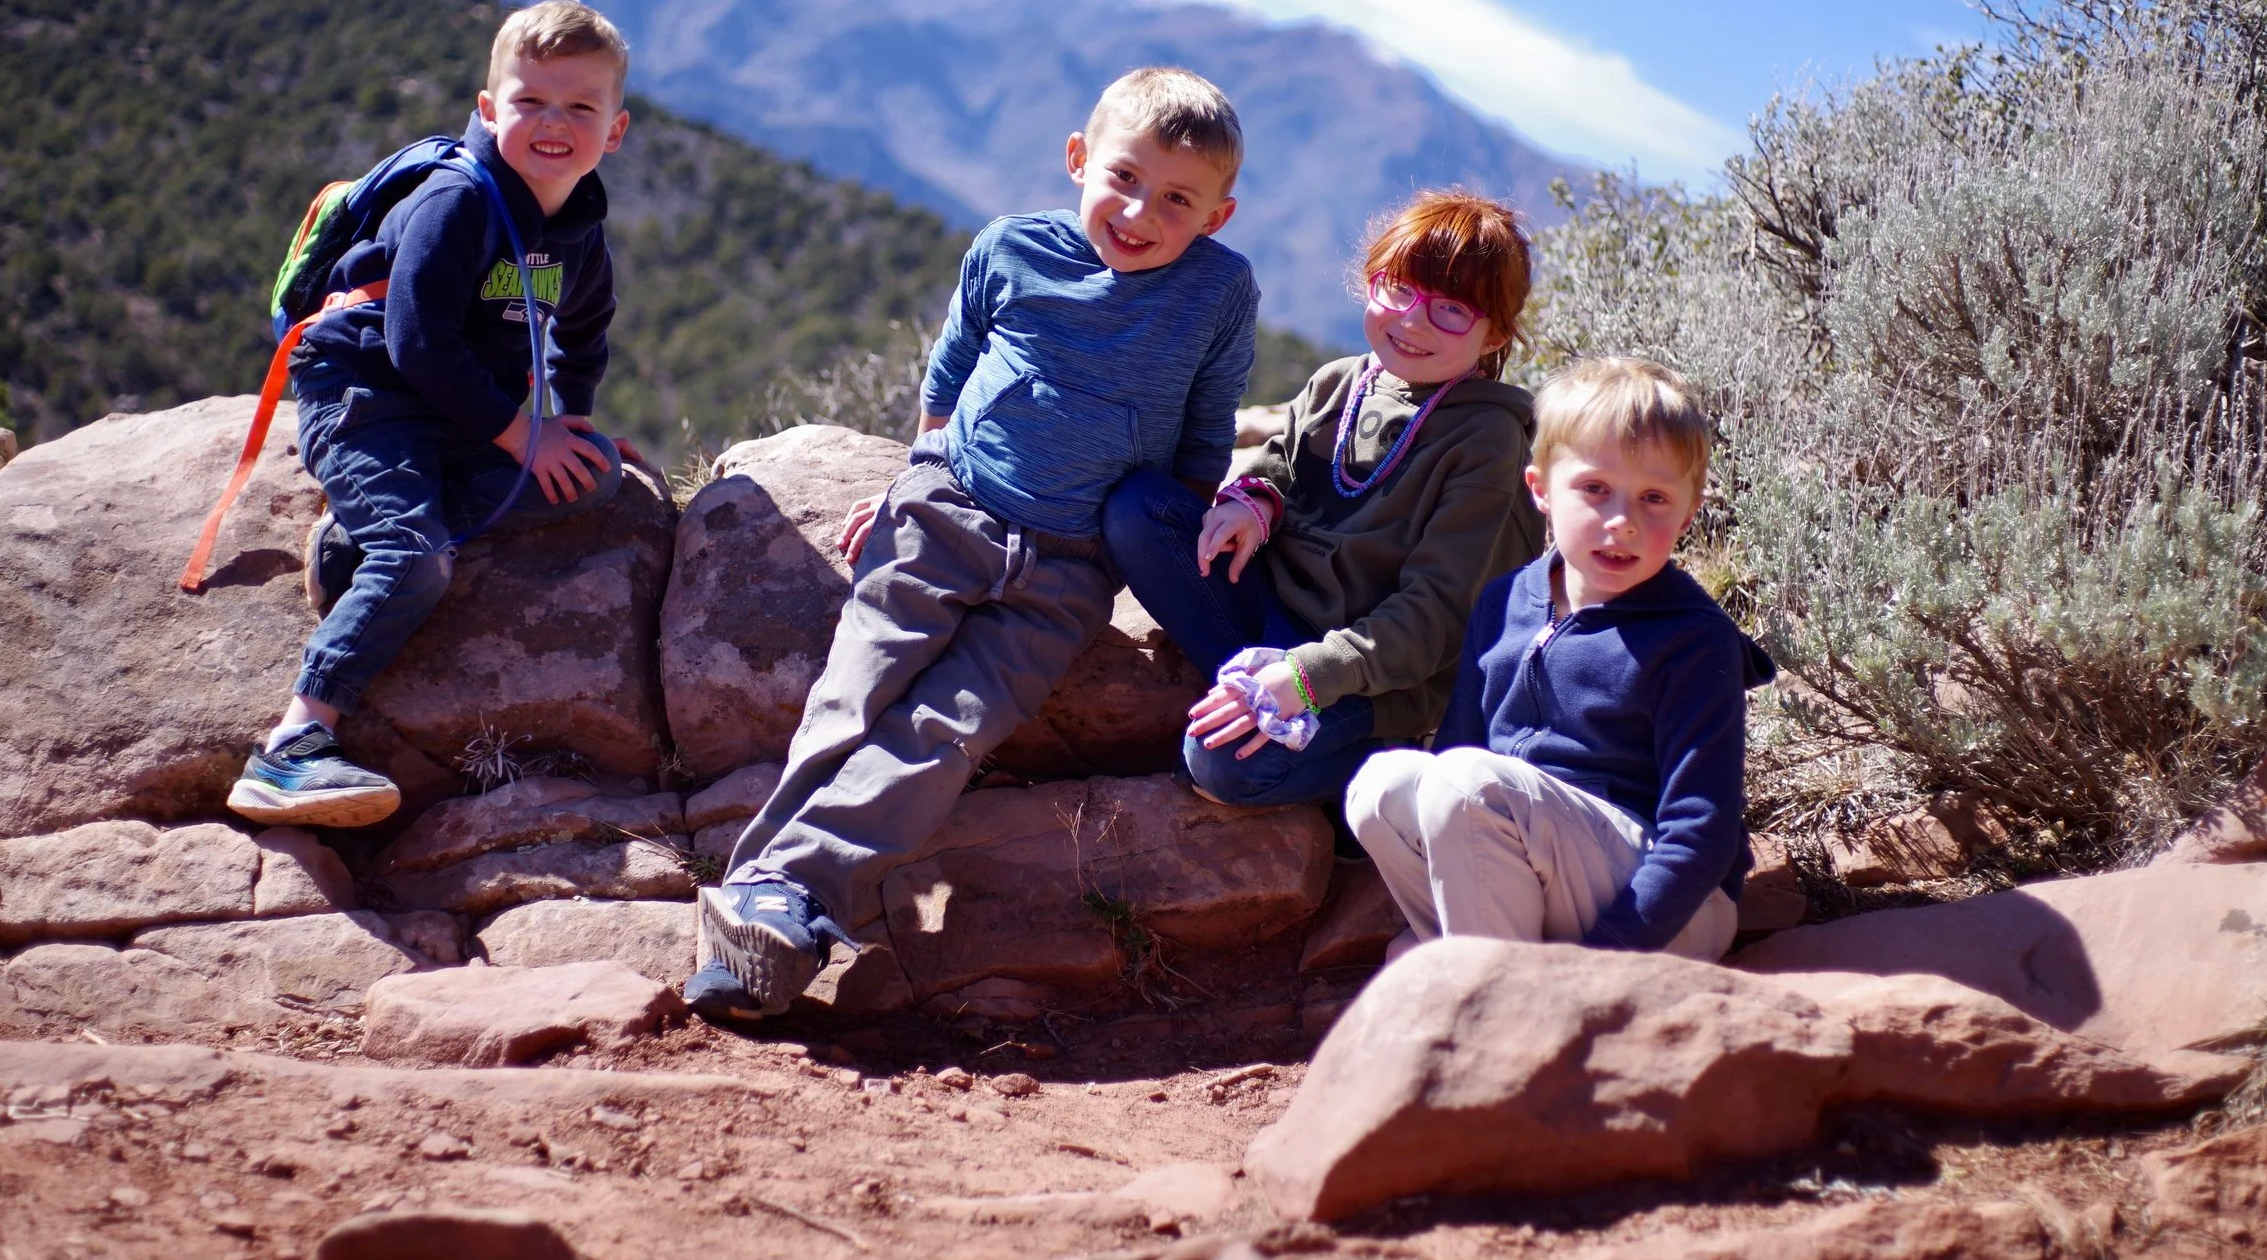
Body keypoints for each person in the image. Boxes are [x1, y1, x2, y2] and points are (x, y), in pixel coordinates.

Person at [687, 67, 1260, 1022]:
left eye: (1176, 200)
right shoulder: (1011, 250)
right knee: (857, 691)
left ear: (1218, 215)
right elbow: (947, 381)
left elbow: (1205, 432)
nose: (1139, 213)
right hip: (952, 515)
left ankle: (775, 904)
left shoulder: (1218, 293)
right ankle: (779, 908)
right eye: (1122, 178)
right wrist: (912, 478)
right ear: (1078, 159)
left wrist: (1174, 541)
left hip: (1068, 574)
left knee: (943, 732)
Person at [225, 0, 633, 827]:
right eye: (530, 102)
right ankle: (294, 743)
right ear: (488, 109)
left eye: (581, 107)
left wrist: (571, 424)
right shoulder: (459, 201)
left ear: (614, 131)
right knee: (419, 559)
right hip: (367, 392)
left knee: (597, 479)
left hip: (458, 414)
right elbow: (416, 345)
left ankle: (356, 545)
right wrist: (523, 433)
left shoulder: (579, 231)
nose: (554, 124)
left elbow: (583, 335)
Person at [1101, 191, 1544, 818]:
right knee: (1137, 509)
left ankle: (1352, 771)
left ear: (1495, 331)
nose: (1413, 321)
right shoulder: (1343, 381)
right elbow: (1282, 460)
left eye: (1451, 310)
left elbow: (1433, 619)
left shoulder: (1486, 441)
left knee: (1220, 761)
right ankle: (1255, 692)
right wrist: (1254, 503)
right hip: (1277, 614)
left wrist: (1304, 680)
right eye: (1398, 289)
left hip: (1375, 676)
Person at [1346, 356, 1775, 960]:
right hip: (1535, 872)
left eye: (1654, 498)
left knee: (1467, 783)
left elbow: (1700, 832)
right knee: (1381, 787)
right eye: (1595, 489)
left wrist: (1606, 952)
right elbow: (1455, 752)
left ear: (1689, 512)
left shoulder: (1692, 640)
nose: (1622, 521)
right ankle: (1482, 963)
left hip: (1664, 908)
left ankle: (1503, 992)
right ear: (1541, 490)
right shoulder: (1505, 600)